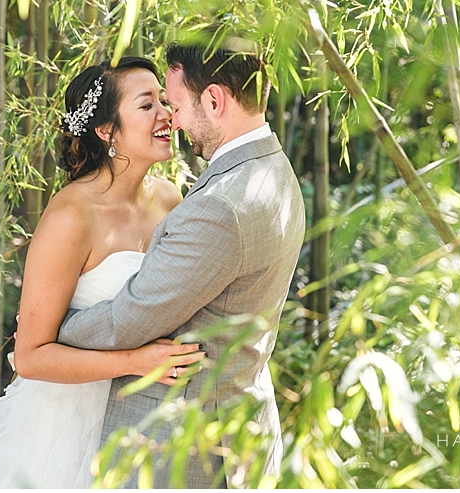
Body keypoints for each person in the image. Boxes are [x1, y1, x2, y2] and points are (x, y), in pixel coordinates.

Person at [57, 35, 306, 488]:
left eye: (175, 104)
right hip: (232, 422)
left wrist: (51, 334)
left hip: (179, 446)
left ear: (214, 100)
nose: (173, 120)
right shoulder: (274, 170)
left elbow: (129, 320)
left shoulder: (223, 204)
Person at [0, 56, 207, 488]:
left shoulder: (169, 199)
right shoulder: (71, 216)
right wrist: (135, 361)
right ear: (106, 130)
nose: (166, 114)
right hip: (68, 423)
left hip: (144, 413)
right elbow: (30, 356)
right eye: (146, 104)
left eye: (163, 100)